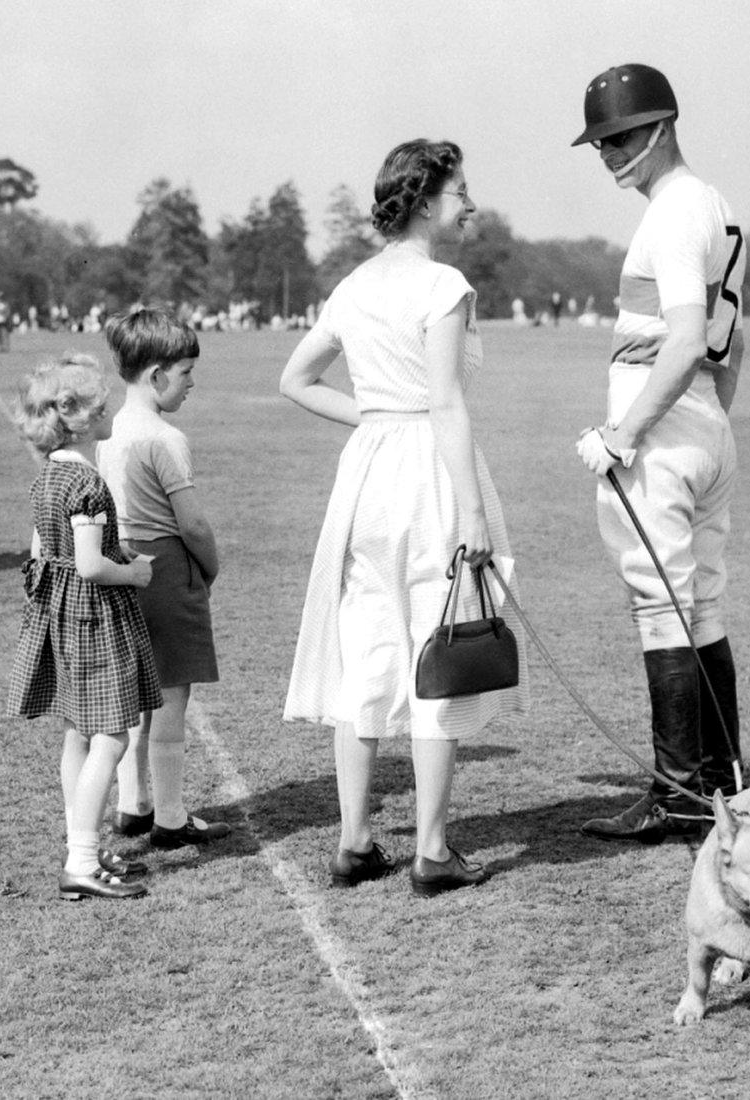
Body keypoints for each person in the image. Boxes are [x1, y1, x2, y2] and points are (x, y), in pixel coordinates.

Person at [280, 139, 529, 896]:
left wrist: (374, 415)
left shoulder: (352, 285)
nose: (470, 203)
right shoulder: (443, 283)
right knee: (439, 645)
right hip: (426, 471)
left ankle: (356, 842)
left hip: (368, 475)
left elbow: (296, 379)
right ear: (424, 199)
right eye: (460, 191)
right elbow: (447, 401)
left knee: (370, 652)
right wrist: (475, 515)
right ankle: (429, 849)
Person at [571, 64, 746, 842]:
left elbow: (681, 341)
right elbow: (726, 345)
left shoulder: (674, 211)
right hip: (706, 422)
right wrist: (708, 424)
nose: (611, 152)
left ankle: (678, 796)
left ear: (665, 125)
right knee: (700, 602)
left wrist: (628, 433)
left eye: (625, 135)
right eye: (602, 141)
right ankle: (722, 784)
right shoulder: (717, 206)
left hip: (665, 425)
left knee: (661, 605)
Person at [7, 355, 161, 899]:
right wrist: (134, 572)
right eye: (101, 405)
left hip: (61, 614)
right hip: (95, 616)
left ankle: (85, 847)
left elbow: (46, 550)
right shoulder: (88, 484)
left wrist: (101, 555)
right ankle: (79, 861)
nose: (110, 408)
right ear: (77, 417)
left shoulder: (49, 475)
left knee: (77, 731)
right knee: (113, 736)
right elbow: (92, 566)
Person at [96, 307, 231, 850]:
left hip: (119, 564)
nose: (192, 384)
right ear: (156, 376)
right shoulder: (164, 438)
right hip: (166, 568)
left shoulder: (105, 433)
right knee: (172, 697)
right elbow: (192, 522)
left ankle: (134, 804)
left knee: (133, 695)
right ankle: (171, 816)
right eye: (185, 373)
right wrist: (210, 566)